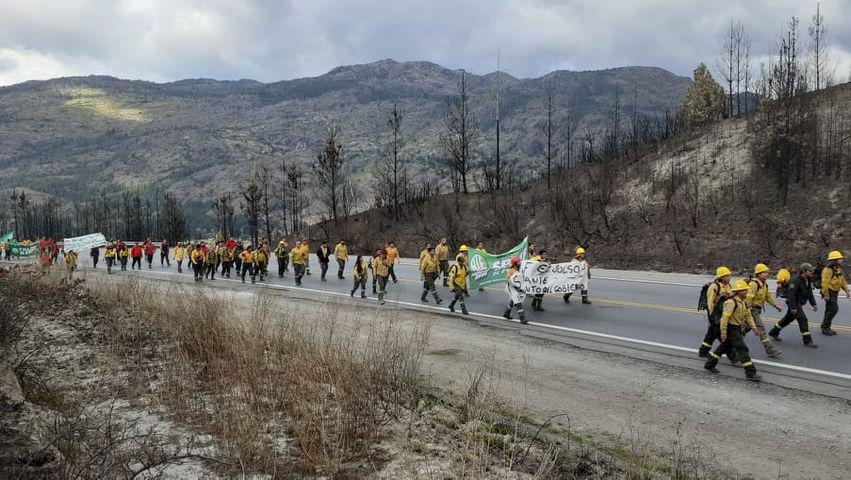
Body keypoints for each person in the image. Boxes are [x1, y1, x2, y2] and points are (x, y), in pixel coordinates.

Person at [703, 279, 764, 382]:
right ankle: (750, 372)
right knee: (742, 349)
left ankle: (709, 364)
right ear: (739, 291)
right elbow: (724, 319)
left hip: (737, 328)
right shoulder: (731, 302)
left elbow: (748, 316)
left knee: (723, 348)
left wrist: (754, 328)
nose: (747, 291)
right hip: (731, 329)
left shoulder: (743, 302)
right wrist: (723, 333)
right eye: (744, 290)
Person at [769, 263, 819, 348]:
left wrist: (813, 304)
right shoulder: (795, 280)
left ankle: (774, 332)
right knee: (803, 319)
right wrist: (793, 307)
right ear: (804, 271)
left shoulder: (808, 279)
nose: (812, 272)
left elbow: (809, 293)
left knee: (788, 319)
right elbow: (791, 294)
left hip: (799, 303)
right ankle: (807, 340)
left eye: (812, 270)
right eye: (810, 271)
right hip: (794, 303)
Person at [698, 266, 735, 360]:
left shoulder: (728, 285)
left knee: (711, 334)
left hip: (724, 313)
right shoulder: (714, 287)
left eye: (729, 275)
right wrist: (713, 316)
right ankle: (732, 355)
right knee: (722, 335)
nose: (729, 277)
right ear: (721, 277)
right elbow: (710, 302)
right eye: (727, 276)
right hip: (715, 315)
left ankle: (703, 351)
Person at [745, 264, 783, 357]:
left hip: (757, 310)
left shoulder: (764, 284)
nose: (766, 274)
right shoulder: (754, 284)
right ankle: (770, 350)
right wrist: (748, 312)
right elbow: (748, 299)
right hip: (752, 310)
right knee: (761, 329)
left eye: (767, 272)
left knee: (744, 329)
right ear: (758, 274)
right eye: (764, 272)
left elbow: (768, 297)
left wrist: (776, 306)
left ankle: (730, 342)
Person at [820, 250, 850, 336]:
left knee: (829, 309)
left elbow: (842, 279)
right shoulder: (827, 270)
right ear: (835, 260)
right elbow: (824, 283)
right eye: (840, 258)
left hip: (835, 291)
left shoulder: (838, 268)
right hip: (829, 291)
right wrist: (826, 294)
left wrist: (847, 290)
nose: (842, 260)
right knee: (833, 309)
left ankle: (824, 326)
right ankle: (825, 328)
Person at [502, 257, 526, 324]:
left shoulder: (519, 270)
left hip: (516, 287)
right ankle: (522, 318)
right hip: (511, 287)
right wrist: (515, 286)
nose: (520, 263)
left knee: (513, 301)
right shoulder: (511, 270)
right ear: (515, 263)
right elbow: (508, 279)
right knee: (518, 302)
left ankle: (506, 313)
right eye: (518, 262)